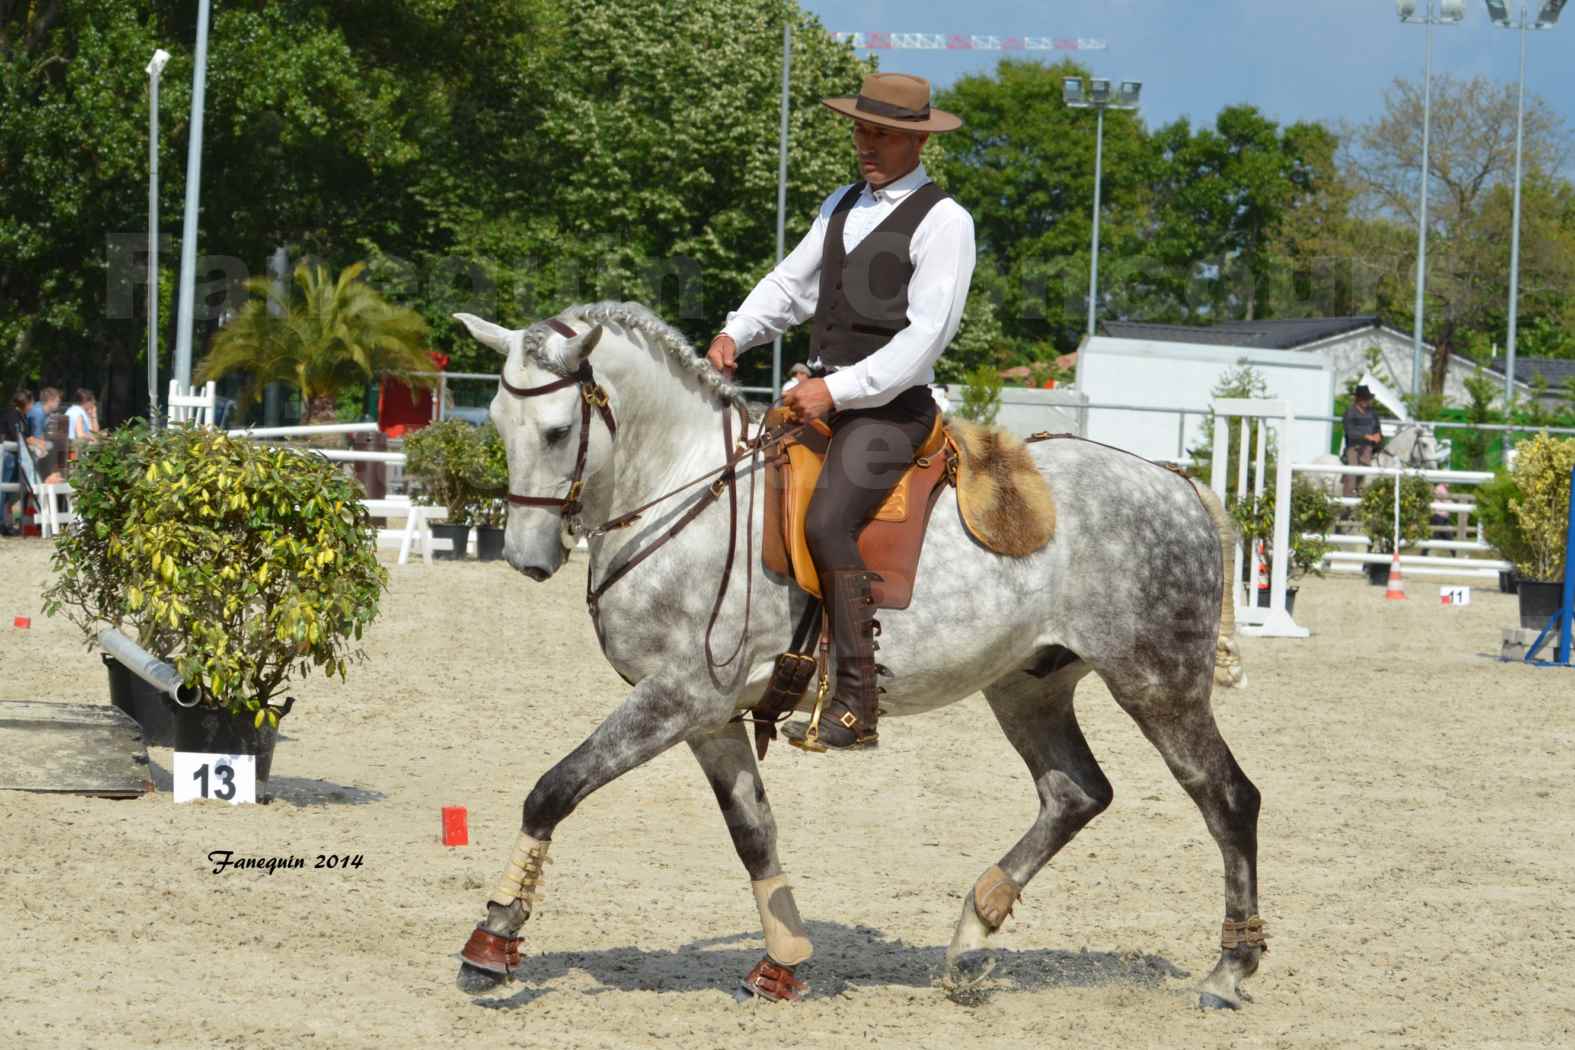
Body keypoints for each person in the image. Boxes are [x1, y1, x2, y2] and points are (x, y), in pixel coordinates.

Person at [706, 72, 975, 752]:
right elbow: (789, 286)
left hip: (891, 410)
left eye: (881, 133)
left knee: (827, 517)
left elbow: (924, 338)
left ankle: (856, 702)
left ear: (916, 140)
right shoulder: (839, 204)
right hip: (822, 395)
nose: (866, 144)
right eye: (861, 129)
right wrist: (736, 330)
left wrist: (840, 389)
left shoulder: (944, 222)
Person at [1341, 384, 1383, 499]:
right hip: (1354, 448)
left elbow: (1377, 428)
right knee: (1353, 473)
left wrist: (1378, 435)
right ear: (1357, 399)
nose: (1366, 401)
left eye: (1367, 398)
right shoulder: (1349, 413)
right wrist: (1366, 437)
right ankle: (1347, 503)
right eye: (1363, 398)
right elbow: (1350, 432)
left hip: (1370, 448)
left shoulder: (1373, 413)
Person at [1, 391, 29, 536]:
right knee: (4, 490)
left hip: (15, 455)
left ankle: (7, 521)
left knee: (10, 491)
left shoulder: (21, 416)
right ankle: (3, 522)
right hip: (8, 455)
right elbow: (15, 434)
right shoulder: (12, 414)